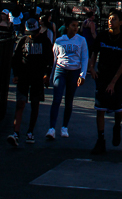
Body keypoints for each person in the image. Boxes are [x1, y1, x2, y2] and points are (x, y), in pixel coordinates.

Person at [88, 9, 122, 155]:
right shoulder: (102, 36)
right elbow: (94, 53)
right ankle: (100, 140)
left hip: (116, 79)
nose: (110, 21)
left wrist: (113, 82)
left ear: (120, 22)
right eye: (109, 18)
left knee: (117, 109)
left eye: (114, 19)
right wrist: (92, 68)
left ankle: (117, 126)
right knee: (100, 109)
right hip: (102, 76)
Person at [7, 18, 53, 146]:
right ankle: (16, 132)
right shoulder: (23, 40)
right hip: (24, 75)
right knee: (20, 103)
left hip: (37, 77)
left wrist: (46, 74)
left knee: (35, 104)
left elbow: (50, 59)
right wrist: (16, 74)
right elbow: (15, 58)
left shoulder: (45, 41)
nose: (32, 36)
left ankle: (30, 131)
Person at [46, 17, 89, 139]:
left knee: (69, 100)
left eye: (77, 25)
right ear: (67, 26)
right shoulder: (59, 41)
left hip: (74, 71)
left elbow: (84, 57)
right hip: (61, 70)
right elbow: (54, 59)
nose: (76, 28)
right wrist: (50, 74)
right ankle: (52, 128)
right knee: (57, 99)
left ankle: (64, 127)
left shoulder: (81, 40)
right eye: (73, 25)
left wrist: (82, 74)